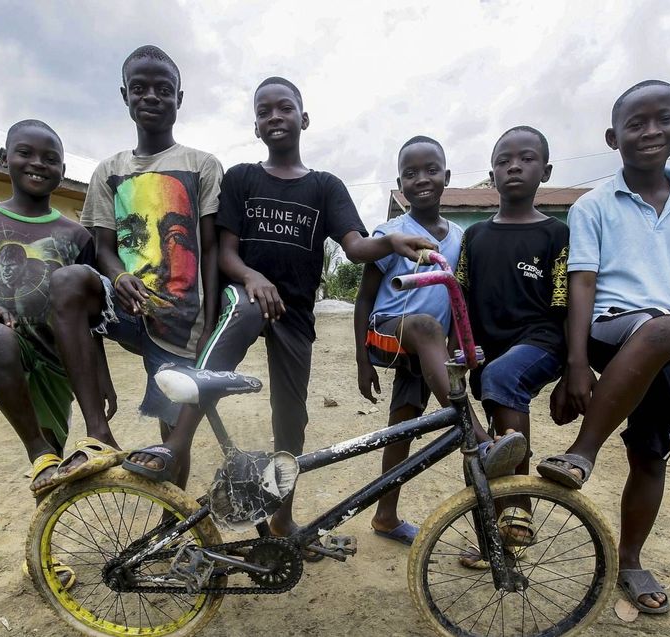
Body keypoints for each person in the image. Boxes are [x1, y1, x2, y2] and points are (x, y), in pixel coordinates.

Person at [123, 76, 436, 540]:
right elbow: (226, 252)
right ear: (255, 127)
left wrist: (389, 240)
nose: (275, 117)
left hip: (295, 313)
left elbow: (353, 247)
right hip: (247, 296)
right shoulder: (243, 178)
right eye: (264, 111)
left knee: (291, 418)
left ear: (303, 119)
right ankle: (176, 444)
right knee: (242, 316)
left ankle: (282, 516)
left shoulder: (326, 187)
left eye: (284, 108)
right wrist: (251, 277)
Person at [536, 80, 670, 614]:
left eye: (663, 119)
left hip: (668, 346)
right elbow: (582, 284)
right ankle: (582, 454)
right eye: (636, 124)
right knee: (665, 326)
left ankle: (631, 561)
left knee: (651, 456)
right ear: (614, 138)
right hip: (611, 330)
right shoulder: (593, 205)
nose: (651, 131)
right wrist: (577, 363)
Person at [48, 45, 223, 488]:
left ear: (179, 99)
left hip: (181, 317)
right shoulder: (109, 171)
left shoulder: (201, 166)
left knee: (170, 438)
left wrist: (211, 318)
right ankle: (98, 433)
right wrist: (120, 275)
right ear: (124, 95)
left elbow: (209, 246)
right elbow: (103, 247)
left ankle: (172, 525)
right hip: (126, 306)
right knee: (68, 281)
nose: (151, 97)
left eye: (163, 89)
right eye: (140, 88)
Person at [355, 136, 518, 547]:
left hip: (429, 350)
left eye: (431, 170)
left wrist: (465, 344)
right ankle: (482, 441)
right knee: (426, 324)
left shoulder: (460, 239)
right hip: (389, 332)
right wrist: (361, 359)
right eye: (411, 173)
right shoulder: (390, 233)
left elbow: (461, 297)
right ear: (399, 183)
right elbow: (364, 297)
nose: (422, 179)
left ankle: (385, 516)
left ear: (446, 177)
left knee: (403, 426)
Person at [0, 119, 115, 502]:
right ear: (4, 159)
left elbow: (89, 320)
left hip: (58, 358)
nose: (38, 163)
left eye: (50, 158)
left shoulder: (77, 235)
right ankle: (35, 448)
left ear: (63, 171)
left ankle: (40, 555)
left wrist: (102, 376)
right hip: (4, 350)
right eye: (25, 153)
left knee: (52, 463)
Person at [455, 126, 569, 547]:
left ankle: (519, 504)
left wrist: (576, 368)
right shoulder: (476, 236)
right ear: (492, 173)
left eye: (526, 158)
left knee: (503, 378)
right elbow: (460, 299)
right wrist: (462, 347)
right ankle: (494, 546)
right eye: (504, 160)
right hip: (488, 353)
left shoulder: (555, 234)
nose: (514, 166)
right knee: (480, 452)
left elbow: (565, 305)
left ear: (546, 170)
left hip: (540, 342)